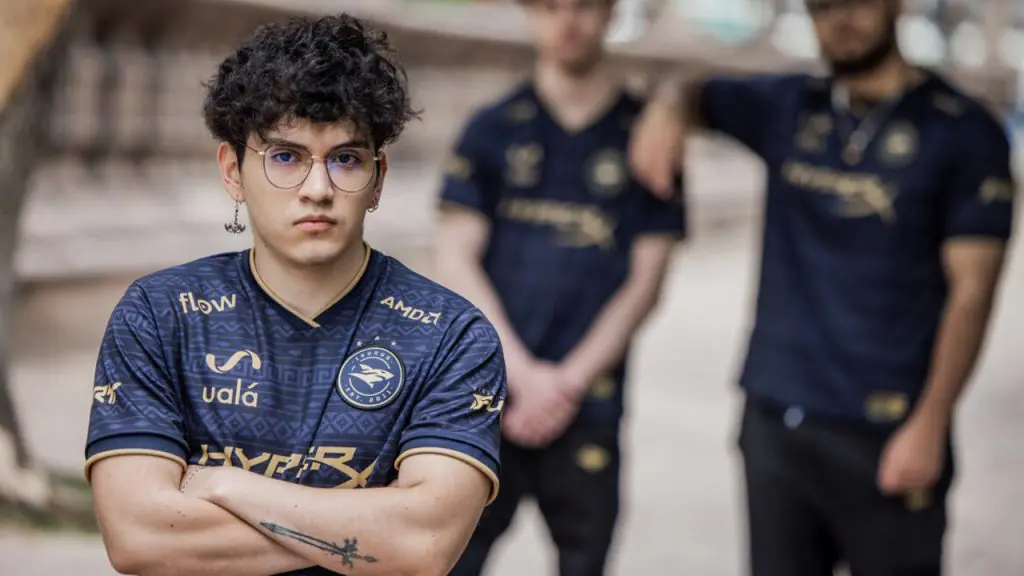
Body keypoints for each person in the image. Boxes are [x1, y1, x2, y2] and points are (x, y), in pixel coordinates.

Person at [84, 14, 507, 576]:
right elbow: (139, 538)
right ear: (232, 171)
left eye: (346, 159)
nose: (318, 189)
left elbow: (424, 545)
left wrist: (228, 485)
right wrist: (373, 534)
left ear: (378, 178)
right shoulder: (160, 316)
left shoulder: (450, 335)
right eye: (285, 156)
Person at [629, 0, 1016, 574]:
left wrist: (931, 423)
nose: (840, 17)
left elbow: (973, 294)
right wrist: (665, 112)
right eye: (822, 5)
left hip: (890, 426)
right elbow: (690, 90)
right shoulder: (788, 104)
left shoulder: (964, 131)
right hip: (775, 420)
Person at [436, 1, 686, 574]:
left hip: (590, 401)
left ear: (611, 12)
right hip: (486, 397)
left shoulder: (647, 136)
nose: (567, 21)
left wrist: (567, 383)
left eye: (583, 5)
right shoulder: (491, 127)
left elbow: (647, 282)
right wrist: (520, 374)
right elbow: (455, 259)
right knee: (452, 561)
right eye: (550, 6)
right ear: (529, 12)